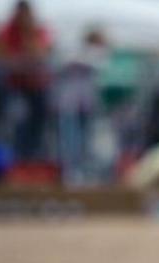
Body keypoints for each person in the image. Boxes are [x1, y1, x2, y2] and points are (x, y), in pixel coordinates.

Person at [0, 0, 52, 161]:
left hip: (37, 86)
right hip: (15, 86)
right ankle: (17, 158)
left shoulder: (38, 30)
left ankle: (33, 158)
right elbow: (0, 54)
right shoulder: (8, 31)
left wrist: (28, 35)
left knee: (38, 123)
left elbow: (41, 53)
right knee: (17, 124)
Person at [56, 28, 109, 187]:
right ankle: (71, 173)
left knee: (86, 142)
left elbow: (99, 64)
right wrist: (81, 57)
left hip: (87, 105)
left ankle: (84, 173)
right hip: (69, 105)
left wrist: (83, 58)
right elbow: (64, 62)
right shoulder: (75, 52)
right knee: (71, 141)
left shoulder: (97, 55)